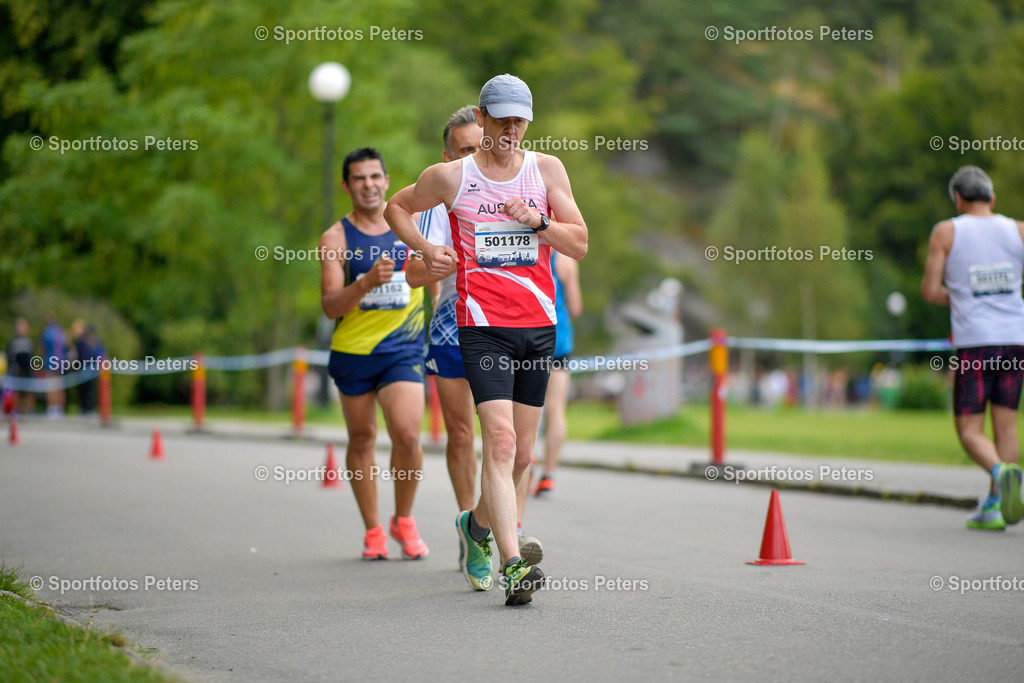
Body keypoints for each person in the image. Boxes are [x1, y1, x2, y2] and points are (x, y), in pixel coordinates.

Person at [385, 74, 588, 605]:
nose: (512, 129)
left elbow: (581, 243)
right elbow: (396, 208)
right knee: (496, 442)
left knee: (521, 455)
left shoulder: (547, 170)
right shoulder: (451, 178)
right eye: (502, 119)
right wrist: (426, 253)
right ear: (483, 116)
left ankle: (475, 526)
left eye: (521, 119)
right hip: (480, 326)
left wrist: (539, 222)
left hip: (538, 327)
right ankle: (512, 564)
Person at [405, 106, 544, 585]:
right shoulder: (443, 192)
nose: (477, 153)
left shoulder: (523, 181)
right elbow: (413, 273)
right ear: (450, 155)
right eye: (465, 148)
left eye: (477, 143)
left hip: (512, 323)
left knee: (508, 444)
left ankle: (500, 529)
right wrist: (436, 260)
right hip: (453, 322)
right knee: (464, 436)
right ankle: (475, 526)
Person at [319, 147, 429, 560]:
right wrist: (364, 284)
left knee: (406, 434)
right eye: (359, 178)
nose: (368, 185)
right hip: (354, 352)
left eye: (375, 177)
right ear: (347, 186)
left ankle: (404, 519)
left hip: (403, 347)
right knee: (362, 438)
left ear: (386, 180)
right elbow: (330, 306)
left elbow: (429, 274)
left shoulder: (409, 222)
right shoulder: (335, 238)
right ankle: (373, 529)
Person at [922, 165, 1024, 530]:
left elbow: (931, 291)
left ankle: (1001, 473)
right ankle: (996, 505)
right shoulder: (1018, 230)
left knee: (969, 430)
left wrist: (964, 295)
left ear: (959, 199)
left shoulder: (947, 231)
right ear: (992, 198)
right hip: (1015, 340)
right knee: (1007, 428)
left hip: (974, 344)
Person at [532, 250, 583, 496]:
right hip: (559, 342)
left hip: (529, 337)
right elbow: (575, 307)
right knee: (556, 408)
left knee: (526, 403)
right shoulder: (565, 259)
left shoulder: (523, 249)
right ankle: (548, 475)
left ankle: (526, 461)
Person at [6, 318, 36, 415]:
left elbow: (32, 358)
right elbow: (10, 357)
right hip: (17, 371)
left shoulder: (29, 342)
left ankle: (30, 412)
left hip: (28, 371)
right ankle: (17, 412)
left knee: (29, 392)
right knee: (16, 392)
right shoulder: (14, 342)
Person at [40, 314, 66, 419]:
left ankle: (52, 408)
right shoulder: (61, 331)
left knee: (51, 386)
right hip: (61, 362)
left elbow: (43, 347)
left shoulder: (48, 332)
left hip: (51, 362)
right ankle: (60, 408)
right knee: (59, 385)